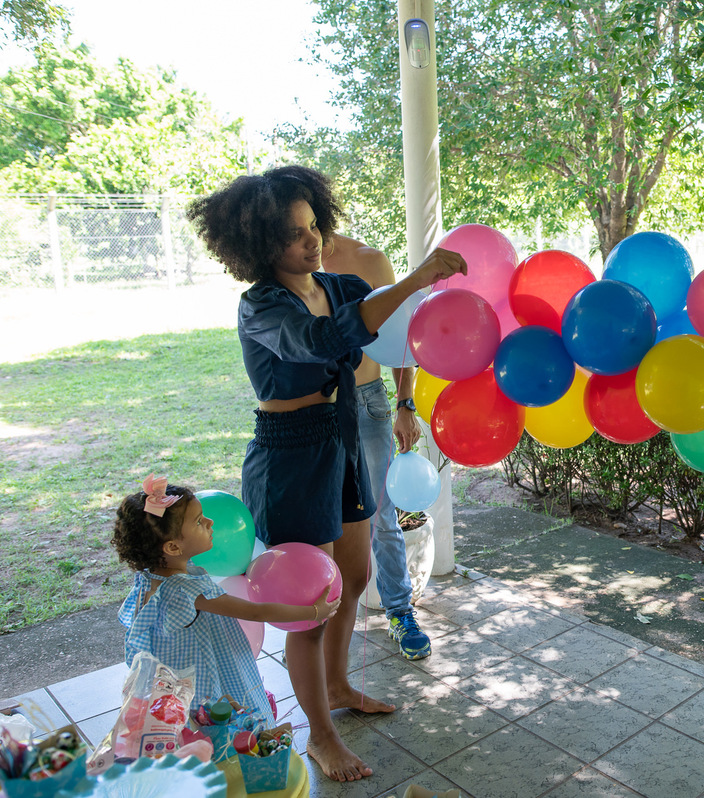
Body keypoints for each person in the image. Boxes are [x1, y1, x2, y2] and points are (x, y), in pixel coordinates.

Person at [186, 165, 466, 782]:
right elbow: (319, 340)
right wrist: (415, 277)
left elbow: (383, 320)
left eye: (313, 225)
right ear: (261, 244)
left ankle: (337, 686)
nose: (311, 240)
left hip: (342, 437)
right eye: (293, 234)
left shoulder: (338, 285)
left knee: (353, 575)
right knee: (308, 600)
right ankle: (319, 735)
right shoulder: (261, 304)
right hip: (290, 455)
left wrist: (427, 310)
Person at [112, 474, 341, 720]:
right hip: (200, 684)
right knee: (221, 727)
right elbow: (256, 611)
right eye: (199, 521)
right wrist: (313, 612)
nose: (210, 522)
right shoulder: (187, 590)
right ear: (173, 547)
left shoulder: (148, 577)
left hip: (169, 680)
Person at [322, 230, 430, 661]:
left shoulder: (369, 260)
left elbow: (401, 338)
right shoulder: (283, 265)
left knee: (382, 517)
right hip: (311, 409)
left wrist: (405, 404)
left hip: (367, 402)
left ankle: (400, 612)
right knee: (320, 523)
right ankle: (315, 625)